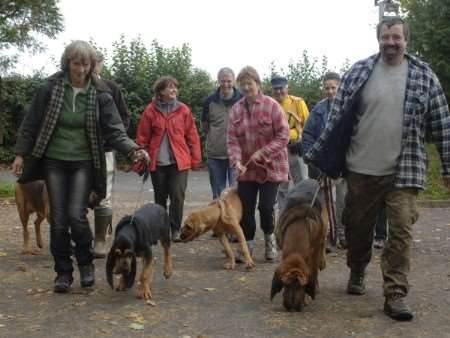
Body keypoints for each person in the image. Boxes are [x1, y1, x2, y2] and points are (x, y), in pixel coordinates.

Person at [305, 17, 450, 321]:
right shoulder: (359, 71)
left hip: (404, 170)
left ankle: (395, 293)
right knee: (358, 229)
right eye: (385, 37)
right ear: (378, 39)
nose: (391, 43)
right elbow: (336, 121)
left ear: (406, 41)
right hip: (361, 169)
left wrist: (448, 169)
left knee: (400, 232)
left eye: (396, 37)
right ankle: (357, 268)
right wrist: (328, 160)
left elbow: (443, 126)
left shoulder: (424, 76)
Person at [12, 40, 148, 293]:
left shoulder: (100, 92)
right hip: (54, 160)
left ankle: (86, 265)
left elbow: (115, 129)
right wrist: (20, 154)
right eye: (77, 63)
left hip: (85, 162)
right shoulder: (50, 88)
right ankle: (63, 272)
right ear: (67, 63)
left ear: (91, 65)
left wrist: (133, 148)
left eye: (86, 64)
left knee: (76, 215)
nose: (81, 69)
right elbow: (31, 122)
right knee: (59, 219)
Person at [227, 66, 289, 262]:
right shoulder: (236, 109)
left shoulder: (272, 106)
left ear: (258, 84)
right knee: (245, 207)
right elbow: (232, 140)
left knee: (266, 207)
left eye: (249, 83)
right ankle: (248, 246)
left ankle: (270, 239)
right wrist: (236, 161)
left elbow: (284, 135)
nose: (246, 87)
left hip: (272, 167)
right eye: (243, 84)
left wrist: (263, 152)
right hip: (246, 169)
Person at [136, 76, 201, 242]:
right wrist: (140, 157)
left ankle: (175, 229)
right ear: (161, 91)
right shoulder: (150, 111)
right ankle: (160, 229)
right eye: (170, 87)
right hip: (158, 162)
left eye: (175, 87)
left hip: (179, 162)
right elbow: (142, 137)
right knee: (160, 198)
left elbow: (192, 136)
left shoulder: (183, 110)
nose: (174, 90)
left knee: (177, 196)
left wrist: (195, 158)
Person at [92, 51, 131, 258]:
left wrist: (113, 139)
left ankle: (100, 240)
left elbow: (124, 117)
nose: (93, 67)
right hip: (78, 151)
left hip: (105, 150)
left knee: (104, 195)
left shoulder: (110, 87)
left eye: (96, 63)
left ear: (100, 65)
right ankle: (78, 237)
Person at [303, 71, 348, 249]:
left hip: (344, 165)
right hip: (323, 165)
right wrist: (311, 157)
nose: (330, 91)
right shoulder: (318, 110)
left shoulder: (348, 106)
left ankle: (343, 234)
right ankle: (327, 238)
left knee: (343, 202)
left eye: (333, 88)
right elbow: (307, 134)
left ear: (339, 88)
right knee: (324, 203)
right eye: (327, 88)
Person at [271, 75, 309, 212]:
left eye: (281, 88)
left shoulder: (298, 103)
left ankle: (304, 216)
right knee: (281, 188)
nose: (279, 91)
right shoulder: (269, 104)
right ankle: (283, 219)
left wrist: (301, 140)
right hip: (277, 152)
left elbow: (308, 125)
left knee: (302, 184)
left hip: (295, 150)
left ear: (287, 88)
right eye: (275, 89)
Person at [202, 67, 242, 199]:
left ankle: (234, 220)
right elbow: (205, 125)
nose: (226, 84)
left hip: (236, 155)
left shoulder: (242, 100)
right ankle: (218, 220)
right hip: (215, 154)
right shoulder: (209, 101)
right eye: (223, 81)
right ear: (218, 81)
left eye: (229, 81)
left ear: (234, 81)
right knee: (218, 195)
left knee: (235, 194)